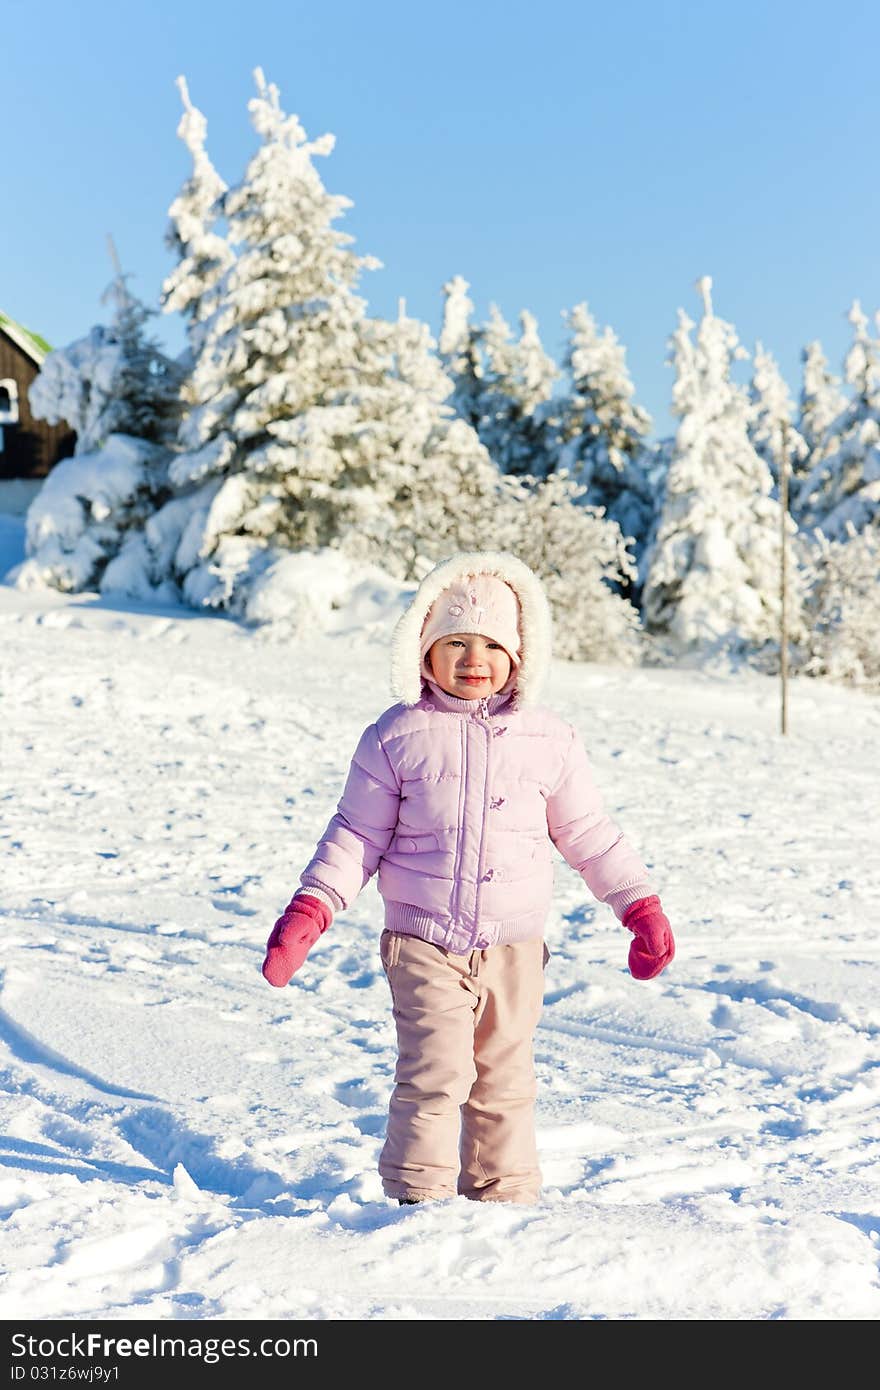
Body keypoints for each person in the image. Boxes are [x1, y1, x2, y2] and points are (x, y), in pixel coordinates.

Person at [262, 550, 675, 1206]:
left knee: (504, 1082)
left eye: (491, 644)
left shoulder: (551, 740)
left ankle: (504, 1201)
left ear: (520, 655)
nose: (473, 658)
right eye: (454, 642)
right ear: (423, 651)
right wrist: (310, 910)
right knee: (436, 1076)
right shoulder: (396, 737)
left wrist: (639, 905)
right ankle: (416, 1202)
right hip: (423, 942)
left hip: (515, 950)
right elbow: (355, 836)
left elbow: (590, 835)